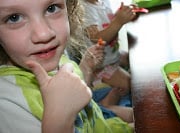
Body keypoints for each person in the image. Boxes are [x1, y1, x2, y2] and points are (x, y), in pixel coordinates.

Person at [0, 0, 133, 132]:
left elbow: (81, 97)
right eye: (14, 18)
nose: (44, 34)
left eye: (52, 8)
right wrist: (60, 121)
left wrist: (86, 68)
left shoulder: (57, 57)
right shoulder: (7, 105)